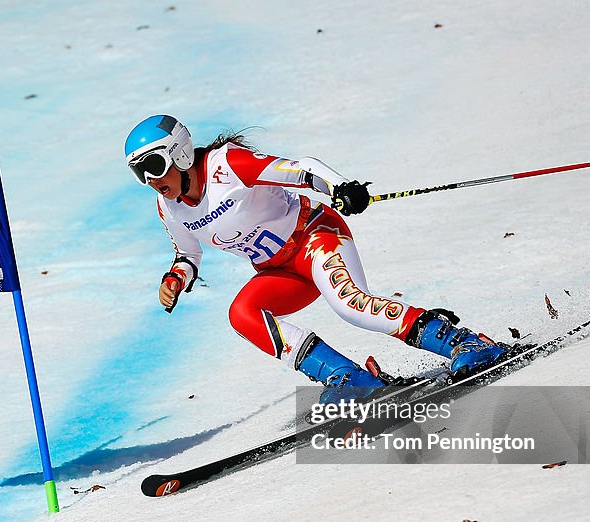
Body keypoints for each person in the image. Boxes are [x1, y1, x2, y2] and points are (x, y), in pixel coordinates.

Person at [124, 114, 507, 392]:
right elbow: (187, 255)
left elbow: (300, 169)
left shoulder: (227, 165)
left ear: (180, 153)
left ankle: (464, 343)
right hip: (280, 271)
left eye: (154, 166)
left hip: (314, 236)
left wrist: (340, 187)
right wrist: (175, 279)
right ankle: (349, 379)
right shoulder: (169, 209)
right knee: (242, 314)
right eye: (140, 174)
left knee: (351, 306)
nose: (152, 181)